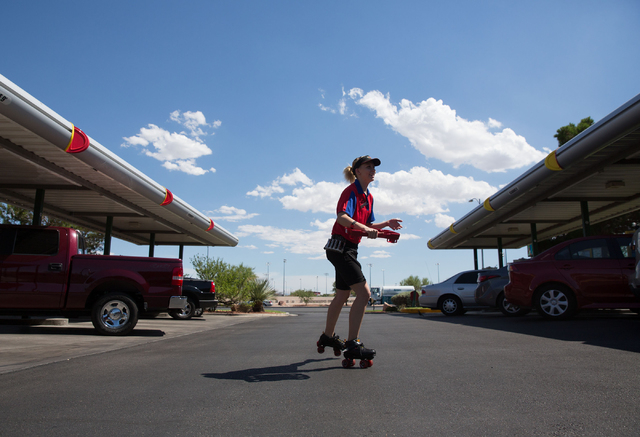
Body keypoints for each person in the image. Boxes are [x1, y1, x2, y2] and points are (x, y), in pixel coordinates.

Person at [318, 155, 403, 360]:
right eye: (368, 167)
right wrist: (363, 227)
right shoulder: (351, 192)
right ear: (357, 171)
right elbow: (342, 217)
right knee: (364, 295)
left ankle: (327, 337)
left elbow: (369, 225)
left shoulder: (369, 197)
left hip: (350, 248)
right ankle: (352, 343)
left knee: (342, 296)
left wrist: (386, 224)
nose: (373, 170)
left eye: (374, 167)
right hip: (340, 248)